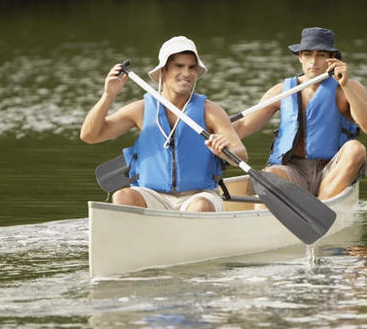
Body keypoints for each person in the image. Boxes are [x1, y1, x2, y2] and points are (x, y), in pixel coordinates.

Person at [80, 36, 247, 212]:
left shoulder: (211, 111)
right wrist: (108, 96)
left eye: (192, 67)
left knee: (200, 206)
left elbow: (241, 155)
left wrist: (225, 151)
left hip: (199, 195)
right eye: (179, 66)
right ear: (163, 71)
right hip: (152, 195)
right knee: (122, 196)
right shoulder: (141, 109)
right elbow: (90, 136)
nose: (187, 73)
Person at [232, 27, 367, 199]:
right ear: (300, 57)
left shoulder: (348, 89)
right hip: (293, 170)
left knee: (356, 149)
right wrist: (215, 133)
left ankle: (322, 206)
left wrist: (346, 85)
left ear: (332, 59)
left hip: (332, 170)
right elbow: (242, 125)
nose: (313, 62)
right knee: (270, 176)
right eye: (308, 54)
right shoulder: (281, 92)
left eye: (321, 55)